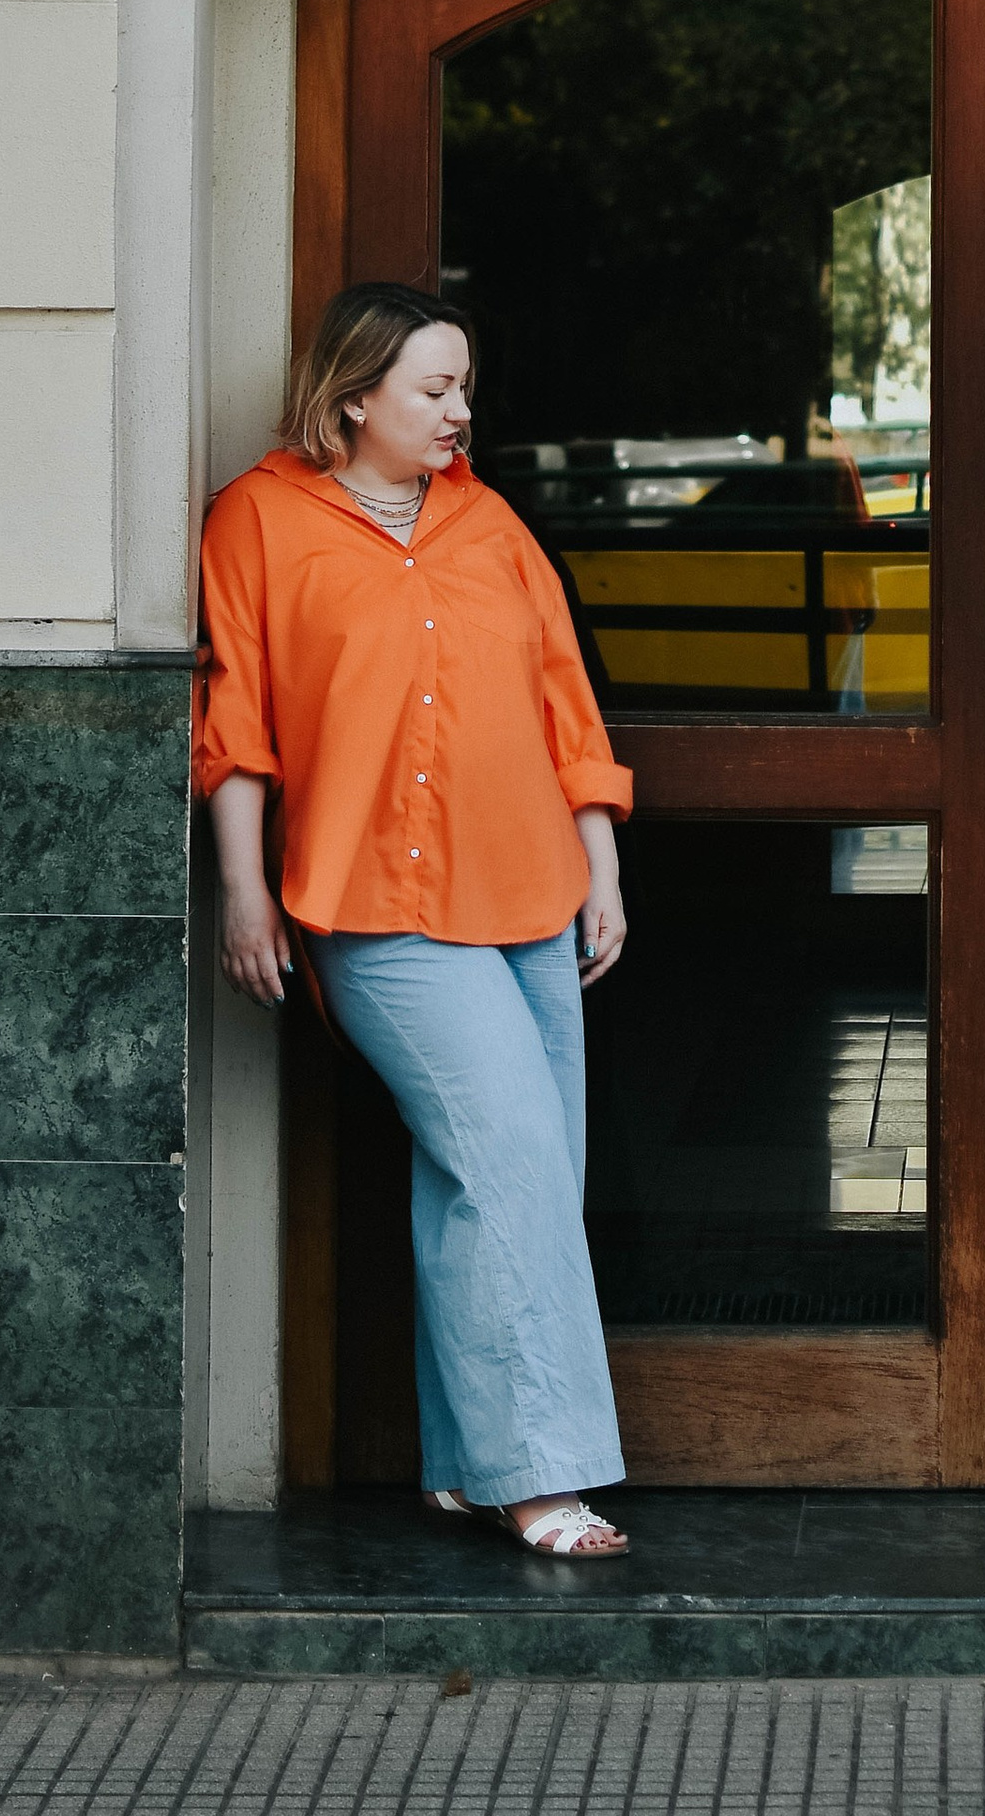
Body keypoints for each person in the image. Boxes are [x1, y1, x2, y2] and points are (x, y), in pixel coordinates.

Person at [197, 281, 637, 1558]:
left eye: (463, 387)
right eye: (434, 389)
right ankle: (537, 1480)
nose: (460, 411)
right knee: (506, 1160)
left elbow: (564, 700)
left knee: (511, 1178)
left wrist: (599, 864)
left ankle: (463, 1459)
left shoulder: (486, 519)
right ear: (351, 402)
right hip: (373, 907)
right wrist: (242, 891)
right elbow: (235, 724)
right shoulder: (258, 521)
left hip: (532, 893)